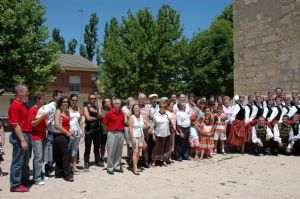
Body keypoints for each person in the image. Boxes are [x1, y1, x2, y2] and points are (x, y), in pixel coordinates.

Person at [8, 84, 32, 192]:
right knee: (17, 162)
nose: (27, 93)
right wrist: (22, 140)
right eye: (26, 91)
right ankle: (15, 185)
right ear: (19, 93)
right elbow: (15, 124)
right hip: (20, 136)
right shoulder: (15, 105)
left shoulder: (22, 104)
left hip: (26, 134)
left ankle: (24, 180)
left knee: (25, 160)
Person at [37, 90, 62, 177]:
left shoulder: (60, 106)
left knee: (56, 152)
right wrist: (46, 122)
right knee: (49, 152)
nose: (60, 97)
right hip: (51, 132)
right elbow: (42, 115)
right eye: (59, 96)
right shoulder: (50, 106)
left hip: (58, 132)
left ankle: (52, 167)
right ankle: (47, 169)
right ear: (54, 96)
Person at [103, 99, 127, 175]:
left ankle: (116, 166)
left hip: (121, 133)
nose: (118, 105)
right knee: (111, 150)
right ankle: (110, 167)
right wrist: (108, 131)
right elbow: (104, 124)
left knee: (119, 151)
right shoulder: (109, 113)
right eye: (117, 103)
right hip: (112, 133)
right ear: (113, 104)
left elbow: (125, 122)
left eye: (120, 104)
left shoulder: (122, 113)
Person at [29, 92, 48, 185]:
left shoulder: (43, 109)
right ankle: (36, 179)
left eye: (45, 99)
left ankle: (40, 174)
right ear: (37, 99)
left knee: (41, 158)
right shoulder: (32, 110)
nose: (44, 101)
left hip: (43, 136)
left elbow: (45, 124)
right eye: (42, 99)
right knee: (38, 158)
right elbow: (32, 124)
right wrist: (42, 117)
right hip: (35, 137)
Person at [53, 96, 74, 181]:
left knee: (61, 155)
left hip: (66, 135)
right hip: (59, 136)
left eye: (67, 102)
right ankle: (68, 175)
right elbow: (57, 125)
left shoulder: (67, 112)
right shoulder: (58, 111)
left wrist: (70, 130)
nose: (66, 103)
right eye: (64, 102)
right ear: (60, 103)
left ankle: (59, 173)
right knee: (66, 155)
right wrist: (67, 132)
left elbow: (68, 124)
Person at [83, 93, 102, 170]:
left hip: (96, 129)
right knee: (88, 146)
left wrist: (95, 113)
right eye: (91, 98)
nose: (93, 100)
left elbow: (101, 116)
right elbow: (88, 118)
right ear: (89, 99)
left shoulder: (97, 107)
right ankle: (86, 162)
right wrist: (97, 117)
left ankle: (97, 161)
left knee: (97, 146)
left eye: (94, 98)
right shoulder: (86, 107)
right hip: (89, 129)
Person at [128, 104, 148, 175]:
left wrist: (143, 138)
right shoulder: (132, 117)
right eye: (135, 108)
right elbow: (130, 128)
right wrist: (132, 138)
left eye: (137, 108)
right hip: (134, 137)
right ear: (133, 110)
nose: (136, 109)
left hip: (140, 136)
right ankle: (135, 168)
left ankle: (135, 166)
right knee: (135, 152)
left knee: (138, 152)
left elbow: (142, 128)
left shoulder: (141, 117)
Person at [151, 101, 171, 167]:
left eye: (164, 107)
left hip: (166, 134)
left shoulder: (167, 115)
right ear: (159, 107)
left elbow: (170, 123)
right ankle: (154, 161)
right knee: (157, 148)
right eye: (161, 107)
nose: (162, 108)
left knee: (165, 148)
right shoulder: (156, 115)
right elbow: (153, 126)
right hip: (158, 134)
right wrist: (153, 134)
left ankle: (164, 161)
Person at [69, 94, 83, 172]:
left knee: (74, 149)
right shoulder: (67, 108)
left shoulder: (78, 108)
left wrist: (81, 130)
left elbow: (80, 120)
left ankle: (74, 166)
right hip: (69, 132)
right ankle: (68, 166)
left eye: (76, 100)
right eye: (73, 100)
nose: (74, 102)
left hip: (77, 132)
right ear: (70, 100)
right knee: (67, 150)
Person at [138, 93, 151, 168]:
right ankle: (135, 161)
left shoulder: (148, 108)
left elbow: (151, 118)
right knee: (136, 145)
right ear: (138, 99)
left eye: (143, 98)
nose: (142, 100)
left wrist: (151, 127)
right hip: (136, 129)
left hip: (145, 129)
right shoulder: (135, 107)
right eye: (141, 98)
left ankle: (145, 161)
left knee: (145, 146)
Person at [122, 97, 135, 164]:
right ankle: (129, 157)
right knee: (128, 143)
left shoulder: (133, 107)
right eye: (129, 101)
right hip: (126, 127)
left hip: (133, 127)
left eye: (131, 101)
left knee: (133, 142)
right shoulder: (124, 108)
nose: (130, 102)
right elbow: (125, 118)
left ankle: (133, 157)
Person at [99, 98, 112, 166]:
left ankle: (110, 158)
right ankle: (102, 157)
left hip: (111, 131)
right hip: (103, 131)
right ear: (104, 104)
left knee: (110, 145)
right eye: (108, 101)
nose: (110, 102)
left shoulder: (112, 110)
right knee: (103, 145)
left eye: (110, 101)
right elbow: (99, 116)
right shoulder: (101, 111)